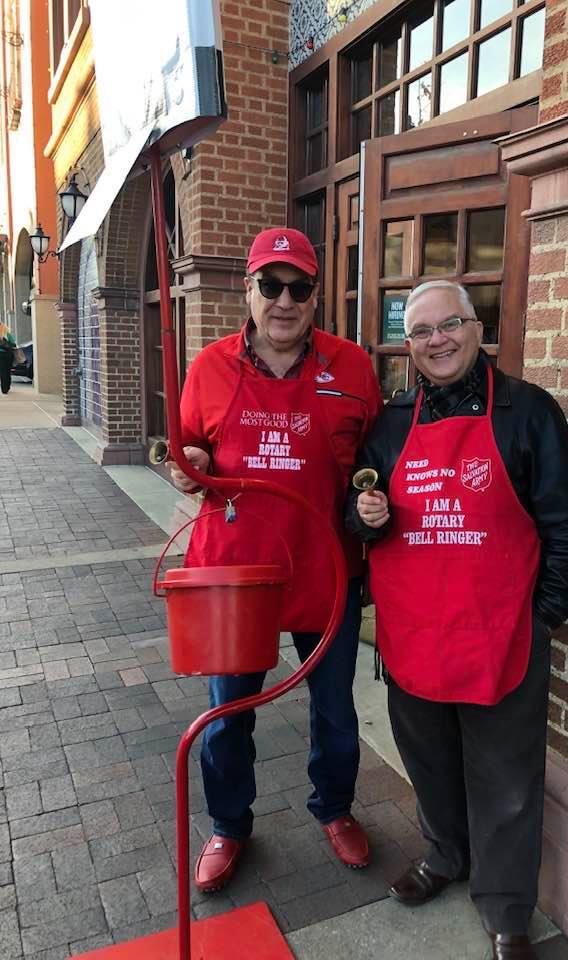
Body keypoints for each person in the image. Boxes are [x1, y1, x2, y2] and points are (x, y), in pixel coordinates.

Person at [347, 280, 568, 960]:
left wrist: (546, 617)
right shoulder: (392, 422)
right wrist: (362, 516)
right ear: (411, 345)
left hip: (501, 637)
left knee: (507, 783)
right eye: (421, 332)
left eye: (448, 325)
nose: (437, 341)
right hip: (414, 635)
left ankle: (508, 908)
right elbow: (356, 507)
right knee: (430, 764)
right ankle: (445, 857)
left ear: (476, 326)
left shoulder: (529, 413)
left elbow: (567, 525)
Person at [170, 227, 383, 893]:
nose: (284, 300)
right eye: (271, 284)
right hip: (236, 575)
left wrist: (374, 498)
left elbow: (374, 461)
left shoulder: (352, 367)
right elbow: (188, 456)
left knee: (335, 711)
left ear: (316, 294)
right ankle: (229, 825)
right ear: (249, 289)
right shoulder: (208, 367)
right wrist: (189, 468)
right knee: (228, 710)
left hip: (325, 569)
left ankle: (335, 808)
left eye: (299, 287)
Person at [0, 321, 17, 394]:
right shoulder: (7, 333)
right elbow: (13, 344)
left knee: (2, 372)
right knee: (7, 371)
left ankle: (4, 389)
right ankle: (7, 386)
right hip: (8, 355)